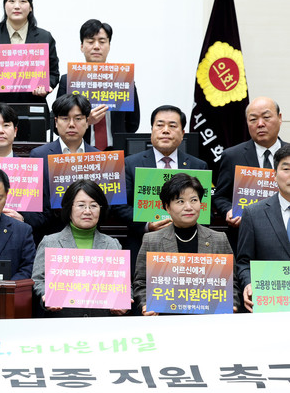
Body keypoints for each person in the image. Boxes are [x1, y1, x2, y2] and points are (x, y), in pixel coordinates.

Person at [111, 105, 208, 273]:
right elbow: (119, 206)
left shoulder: (198, 166)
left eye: (172, 126)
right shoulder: (130, 164)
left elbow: (205, 208)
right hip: (143, 244)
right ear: (152, 130)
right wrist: (147, 225)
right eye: (160, 125)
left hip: (187, 245)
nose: (165, 130)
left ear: (182, 133)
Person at [133, 173, 234, 315]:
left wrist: (232, 305)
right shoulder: (152, 240)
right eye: (180, 201)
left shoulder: (219, 239)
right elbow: (141, 283)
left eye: (194, 200)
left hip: (208, 319)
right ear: (167, 207)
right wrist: (146, 304)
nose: (188, 207)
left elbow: (232, 282)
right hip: (166, 319)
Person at [32, 179, 129, 317]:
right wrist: (46, 295)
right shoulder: (50, 242)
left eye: (93, 206)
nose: (87, 211)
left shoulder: (112, 244)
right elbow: (38, 280)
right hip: (62, 321)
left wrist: (123, 301)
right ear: (69, 208)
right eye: (81, 205)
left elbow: (124, 284)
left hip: (101, 322)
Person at [56, 19, 140, 150]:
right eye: (90, 42)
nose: (96, 46)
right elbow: (57, 124)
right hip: (80, 150)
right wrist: (86, 121)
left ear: (109, 45)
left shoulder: (123, 79)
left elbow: (132, 123)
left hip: (116, 151)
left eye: (102, 41)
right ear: (82, 46)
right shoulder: (68, 81)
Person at [214, 97, 286, 247]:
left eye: (266, 117)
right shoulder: (232, 156)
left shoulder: (289, 153)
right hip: (246, 237)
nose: (260, 124)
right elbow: (220, 196)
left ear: (279, 118)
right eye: (253, 119)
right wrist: (229, 211)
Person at [28, 94, 98, 246]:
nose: (71, 124)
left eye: (78, 119)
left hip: (90, 236)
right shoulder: (39, 155)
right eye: (65, 118)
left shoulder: (98, 157)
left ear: (87, 122)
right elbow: (36, 203)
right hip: (50, 234)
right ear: (56, 122)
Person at [236, 144, 290, 312]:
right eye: (286, 169)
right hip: (271, 305)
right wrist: (249, 283)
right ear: (274, 175)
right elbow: (243, 262)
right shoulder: (253, 213)